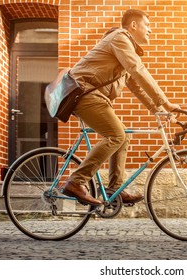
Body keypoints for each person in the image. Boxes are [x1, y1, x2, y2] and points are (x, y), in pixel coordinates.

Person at [62, 9, 179, 206]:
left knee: (122, 136)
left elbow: (136, 86)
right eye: (147, 26)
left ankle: (115, 189)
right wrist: (165, 101)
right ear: (133, 25)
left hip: (93, 96)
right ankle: (76, 181)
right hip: (84, 94)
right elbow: (138, 69)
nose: (150, 30)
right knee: (116, 135)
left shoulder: (124, 51)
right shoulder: (120, 37)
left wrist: (158, 110)